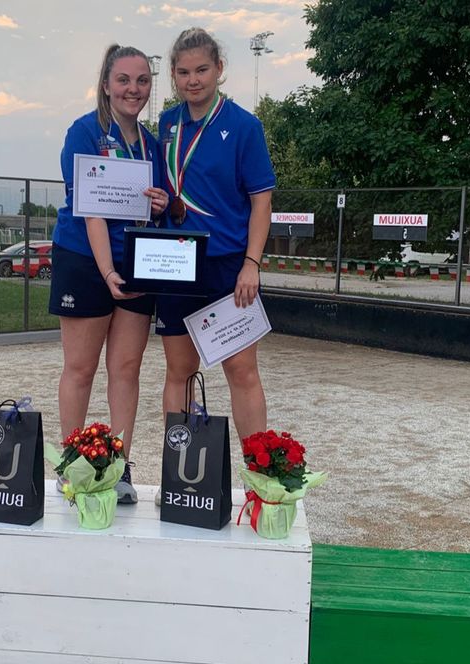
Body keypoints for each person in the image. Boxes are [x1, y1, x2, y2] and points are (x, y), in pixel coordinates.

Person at [49, 44, 169, 504]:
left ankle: (118, 466)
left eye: (142, 80)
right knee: (80, 368)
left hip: (136, 261)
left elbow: (156, 208)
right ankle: (73, 464)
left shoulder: (151, 144)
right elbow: (92, 210)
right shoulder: (84, 132)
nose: (133, 89)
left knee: (126, 369)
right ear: (105, 84)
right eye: (123, 80)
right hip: (85, 259)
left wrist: (161, 205)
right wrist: (107, 271)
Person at [156, 28, 275, 449]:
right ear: (173, 75)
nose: (193, 80)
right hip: (176, 263)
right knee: (179, 372)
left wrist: (251, 264)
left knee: (241, 372)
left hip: (227, 266)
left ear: (219, 68)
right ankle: (180, 467)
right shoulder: (167, 123)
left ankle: (261, 473)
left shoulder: (244, 126)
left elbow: (262, 201)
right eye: (184, 72)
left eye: (202, 70)